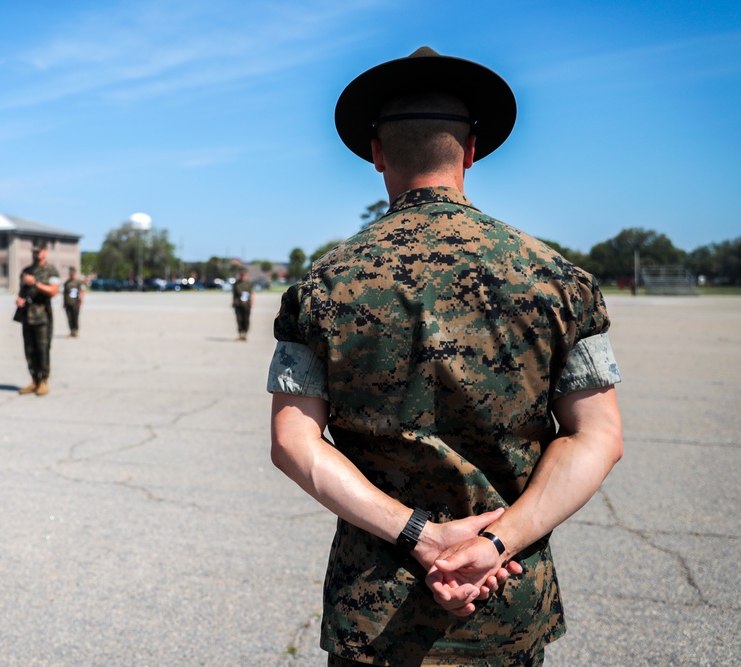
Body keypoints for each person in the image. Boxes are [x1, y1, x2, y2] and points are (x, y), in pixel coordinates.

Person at [266, 46, 624, 667]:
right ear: (473, 149)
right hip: (506, 603)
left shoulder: (321, 288)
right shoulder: (557, 281)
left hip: (376, 613)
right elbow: (598, 437)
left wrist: (422, 537)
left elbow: (293, 442)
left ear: (377, 153)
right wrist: (493, 541)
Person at [16, 240, 60, 396]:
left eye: (39, 251)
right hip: (27, 315)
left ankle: (44, 381)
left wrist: (35, 283)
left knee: (43, 349)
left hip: (42, 316)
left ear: (45, 252)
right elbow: (22, 291)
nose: (36, 254)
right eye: (34, 252)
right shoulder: (26, 270)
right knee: (29, 350)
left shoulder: (51, 270)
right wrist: (19, 299)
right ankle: (34, 379)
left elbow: (53, 291)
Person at [232, 269, 255, 341]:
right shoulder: (236, 283)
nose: (242, 276)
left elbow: (252, 293)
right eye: (241, 275)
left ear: (246, 276)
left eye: (244, 275)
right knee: (239, 319)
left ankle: (245, 334)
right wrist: (233, 302)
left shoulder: (249, 283)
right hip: (238, 303)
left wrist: (252, 302)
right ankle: (240, 334)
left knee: (246, 319)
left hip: (247, 304)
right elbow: (234, 294)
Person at [63, 266, 85, 337]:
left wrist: (81, 300)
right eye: (70, 274)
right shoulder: (67, 282)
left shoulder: (78, 282)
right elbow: (64, 293)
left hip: (75, 302)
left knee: (75, 317)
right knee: (69, 318)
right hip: (68, 302)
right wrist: (64, 302)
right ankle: (71, 331)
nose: (71, 275)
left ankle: (76, 330)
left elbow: (82, 291)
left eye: (73, 274)